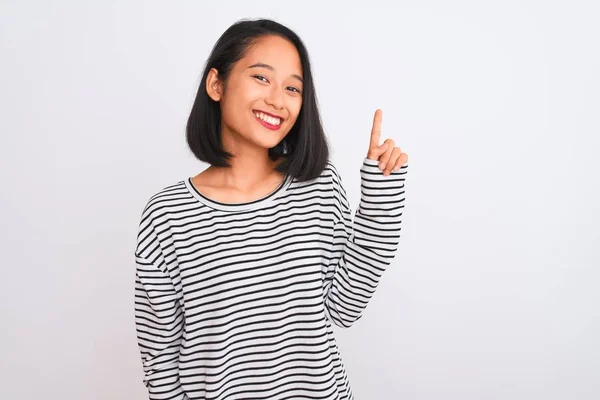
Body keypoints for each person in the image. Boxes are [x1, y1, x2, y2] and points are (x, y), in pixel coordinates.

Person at [134, 18, 409, 400]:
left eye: (293, 88)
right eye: (262, 78)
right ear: (216, 84)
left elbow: (345, 306)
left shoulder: (318, 186)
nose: (278, 100)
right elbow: (159, 359)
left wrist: (381, 193)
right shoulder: (167, 214)